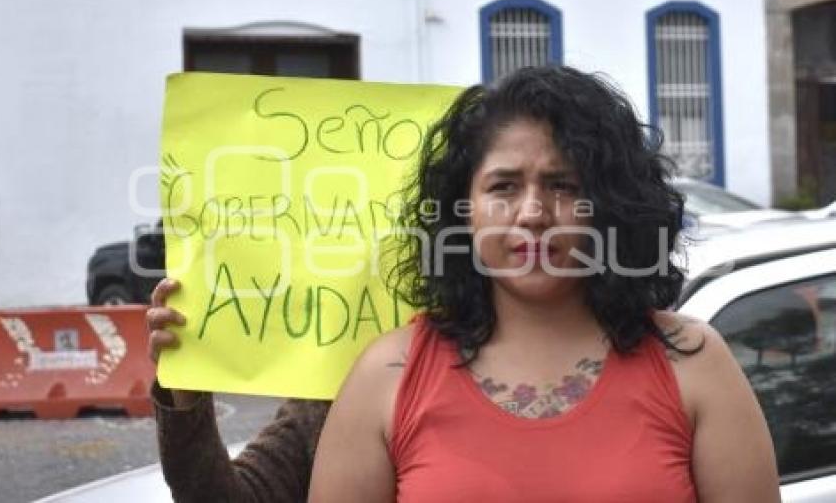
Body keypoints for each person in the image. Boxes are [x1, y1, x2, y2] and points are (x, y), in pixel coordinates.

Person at [149, 65, 781, 503]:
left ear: (610, 204)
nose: (533, 211)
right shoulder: (385, 376)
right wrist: (184, 384)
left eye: (562, 184)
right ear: (462, 210)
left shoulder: (694, 367)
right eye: (504, 186)